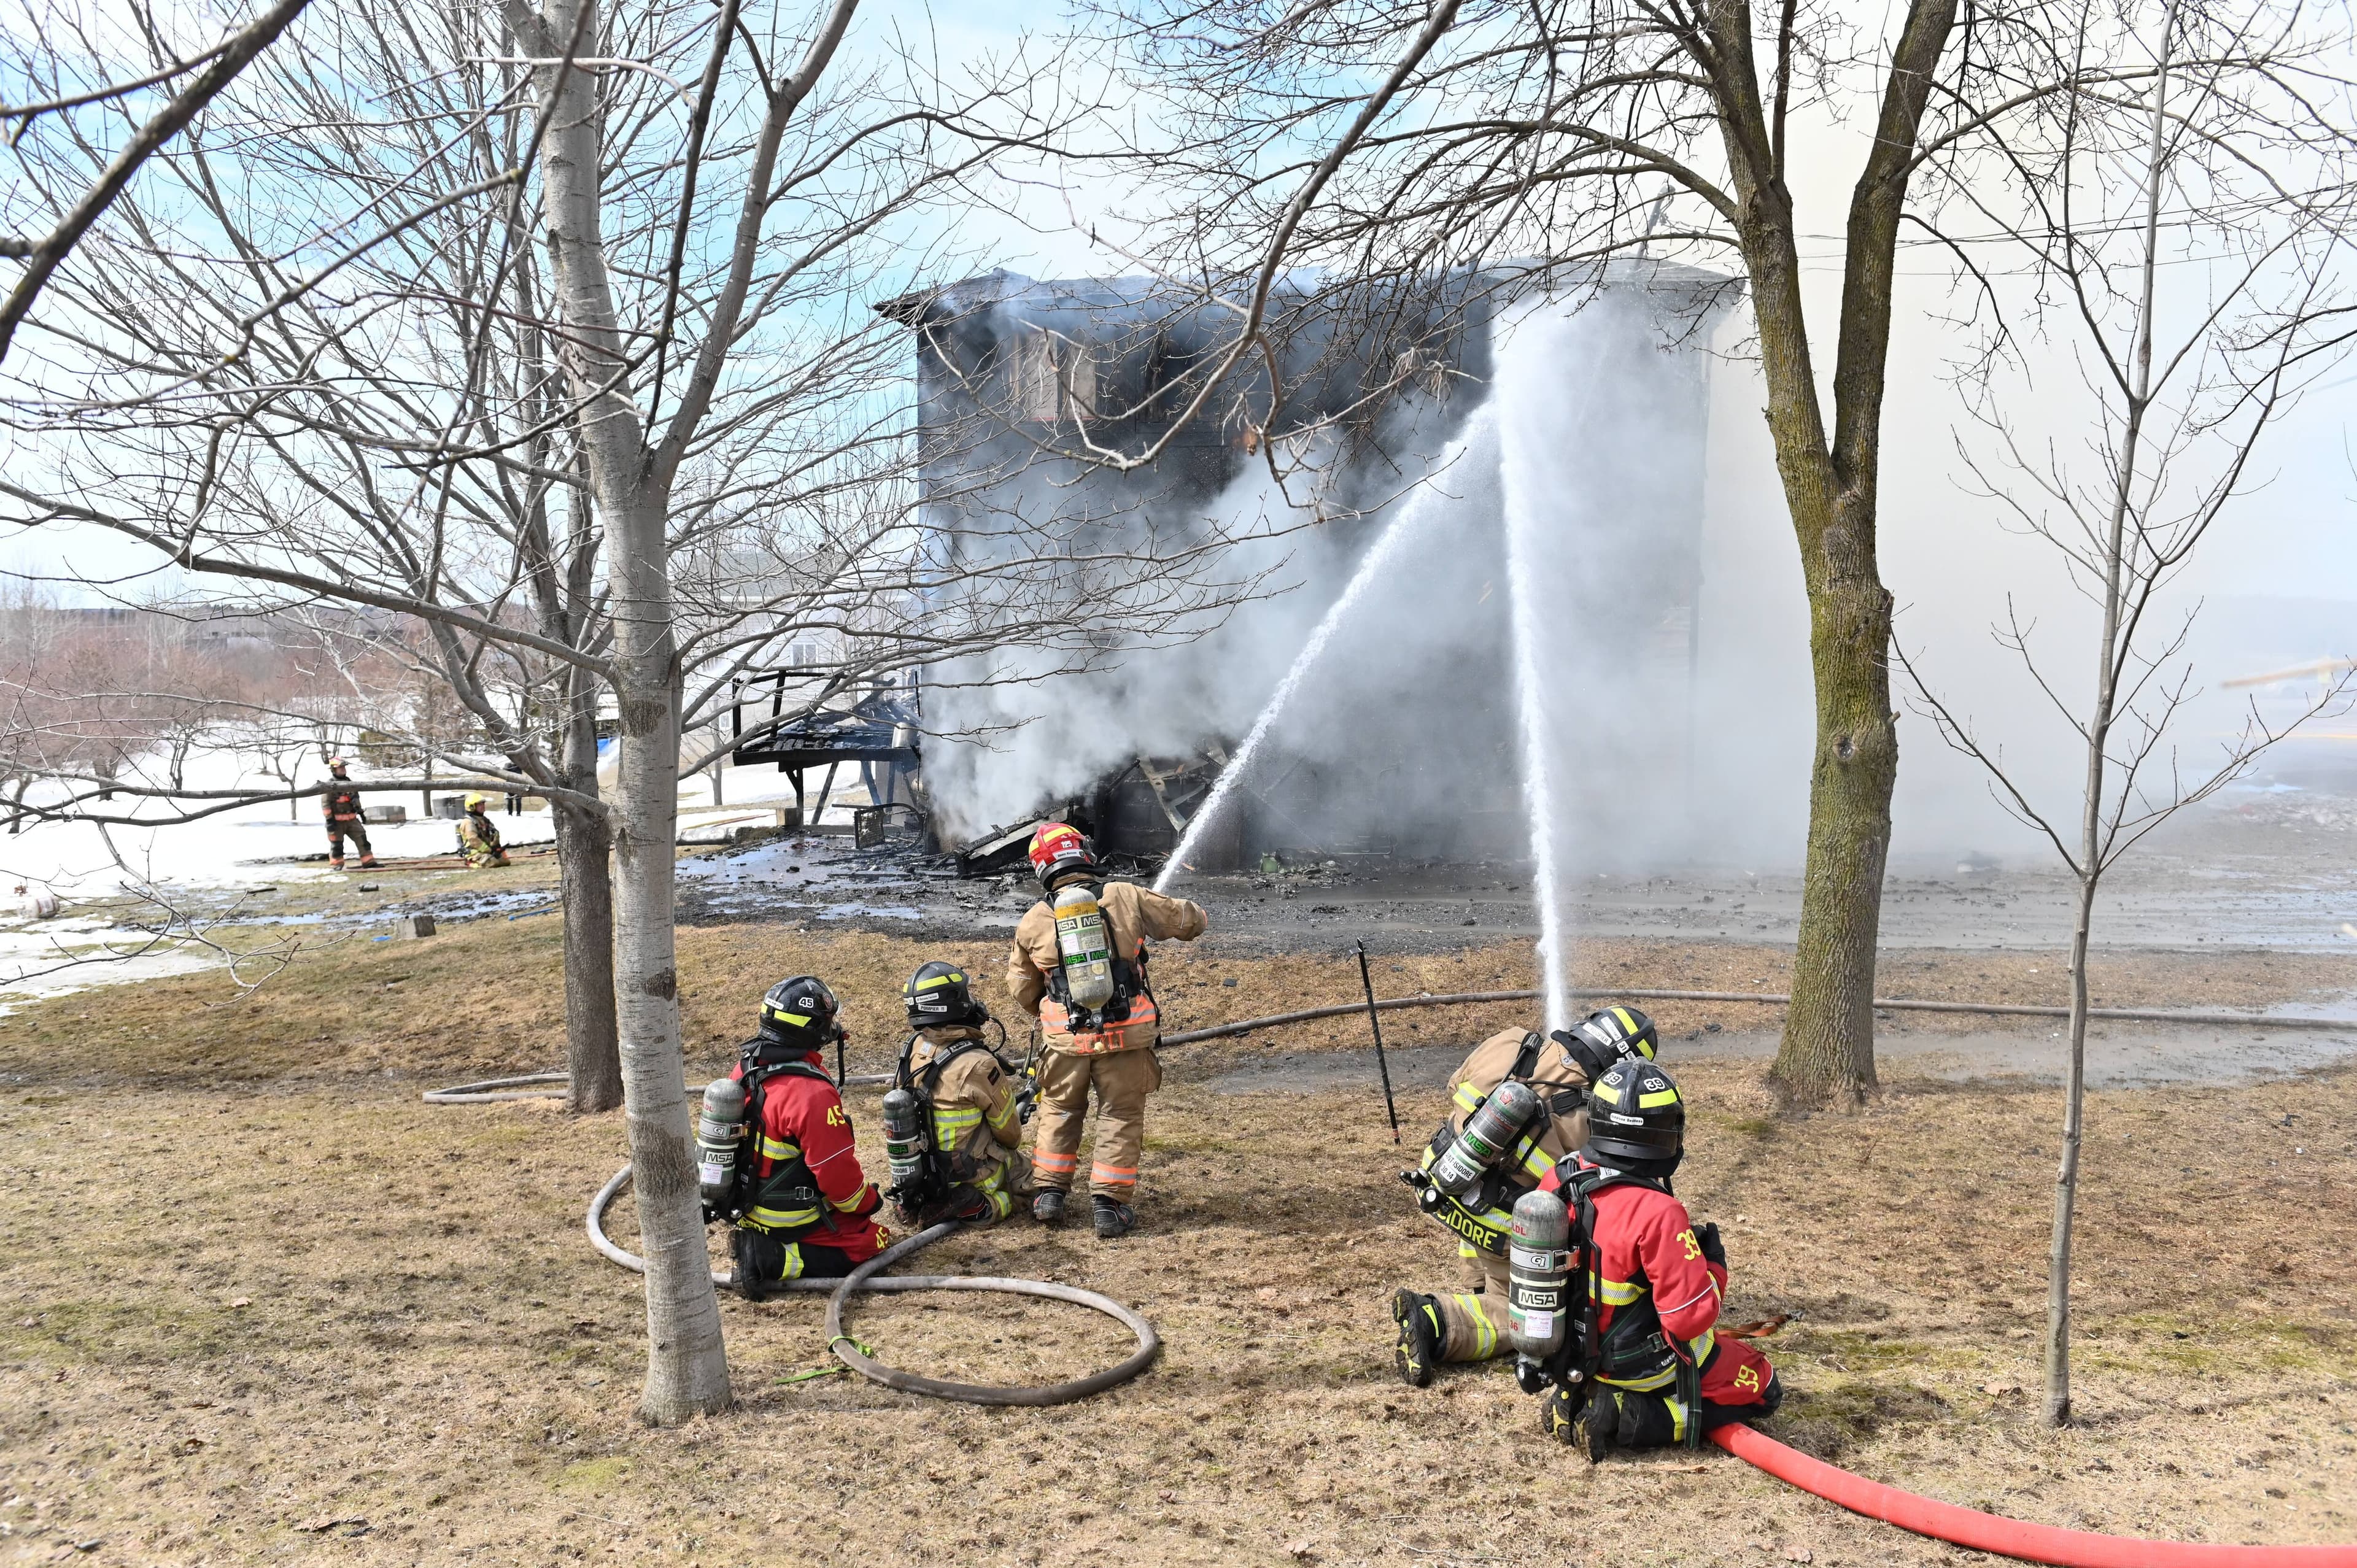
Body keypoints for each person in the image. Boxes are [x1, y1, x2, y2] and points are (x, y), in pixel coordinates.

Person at [1391, 1006, 1659, 1387]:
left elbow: (1454, 1088)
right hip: (1501, 1224)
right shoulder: (1592, 1116)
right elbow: (1590, 1195)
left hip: (1441, 1180)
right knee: (1517, 1313)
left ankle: (1477, 1281)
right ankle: (1434, 1320)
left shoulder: (1510, 1042)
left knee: (1487, 1189)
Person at [1537, 1055, 1780, 1456]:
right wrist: (1713, 1267)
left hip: (1572, 1350)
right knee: (1762, 1383)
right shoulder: (1658, 1211)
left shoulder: (1560, 1177)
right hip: (1638, 1364)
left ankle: (1582, 1397)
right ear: (1667, 1134)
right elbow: (1688, 1320)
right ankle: (1619, 1413)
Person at [1004, 821, 1206, 1240]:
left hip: (1064, 1042)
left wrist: (1049, 1008)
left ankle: (1048, 1195)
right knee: (1120, 1115)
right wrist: (1196, 914)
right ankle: (1109, 1206)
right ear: (1083, 853)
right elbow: (1184, 921)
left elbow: (1022, 989)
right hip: (1126, 1036)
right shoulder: (1124, 895)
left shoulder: (1034, 920)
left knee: (1059, 1111)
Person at [722, 975, 883, 1295]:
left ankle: (760, 1242)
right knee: (872, 1241)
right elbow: (839, 1182)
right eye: (828, 1020)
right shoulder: (811, 1094)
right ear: (813, 1029)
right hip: (789, 1220)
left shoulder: (746, 1068)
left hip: (746, 1207)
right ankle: (770, 1258)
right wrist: (868, 1202)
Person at [890, 960, 1034, 1226]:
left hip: (922, 1173)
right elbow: (1011, 1135)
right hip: (965, 1174)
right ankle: (977, 1206)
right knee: (1028, 1180)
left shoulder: (912, 1048)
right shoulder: (978, 1064)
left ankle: (917, 1203)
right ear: (953, 1002)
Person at [322, 757, 378, 871]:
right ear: (334, 770)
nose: (343, 769)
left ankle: (368, 861)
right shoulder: (329, 785)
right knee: (337, 845)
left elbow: (355, 800)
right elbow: (325, 804)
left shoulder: (350, 783)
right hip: (336, 822)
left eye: (344, 767)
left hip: (352, 820)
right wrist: (329, 820)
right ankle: (337, 864)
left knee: (362, 839)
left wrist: (361, 813)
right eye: (340, 768)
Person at [456, 792, 508, 868]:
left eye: (483, 804)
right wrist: (490, 851)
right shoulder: (468, 822)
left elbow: (493, 834)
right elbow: (474, 841)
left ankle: (488, 857)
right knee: (493, 863)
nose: (483, 806)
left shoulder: (484, 820)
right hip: (474, 852)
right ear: (472, 807)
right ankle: (470, 862)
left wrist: (496, 848)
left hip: (488, 851)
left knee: (506, 862)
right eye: (480, 805)